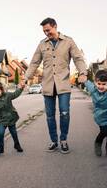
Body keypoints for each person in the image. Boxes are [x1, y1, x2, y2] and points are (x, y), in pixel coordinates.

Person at [24, 17, 87, 154]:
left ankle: (63, 140)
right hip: (47, 85)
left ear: (55, 26)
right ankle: (54, 141)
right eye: (44, 31)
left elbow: (78, 58)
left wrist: (83, 73)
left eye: (48, 30)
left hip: (63, 84)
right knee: (50, 116)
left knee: (64, 113)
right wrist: (26, 78)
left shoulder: (68, 41)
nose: (46, 33)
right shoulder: (42, 44)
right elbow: (34, 63)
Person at [82, 70, 107, 158]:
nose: (101, 86)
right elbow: (88, 84)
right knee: (104, 132)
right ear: (95, 82)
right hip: (100, 117)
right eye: (99, 83)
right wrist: (85, 79)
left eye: (104, 84)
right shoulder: (94, 90)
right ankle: (98, 143)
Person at [0, 81, 25, 155]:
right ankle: (0, 148)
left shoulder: (7, 96)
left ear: (2, 90)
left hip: (11, 118)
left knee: (14, 133)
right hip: (1, 121)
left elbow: (15, 94)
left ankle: (17, 145)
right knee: (0, 133)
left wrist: (20, 89)